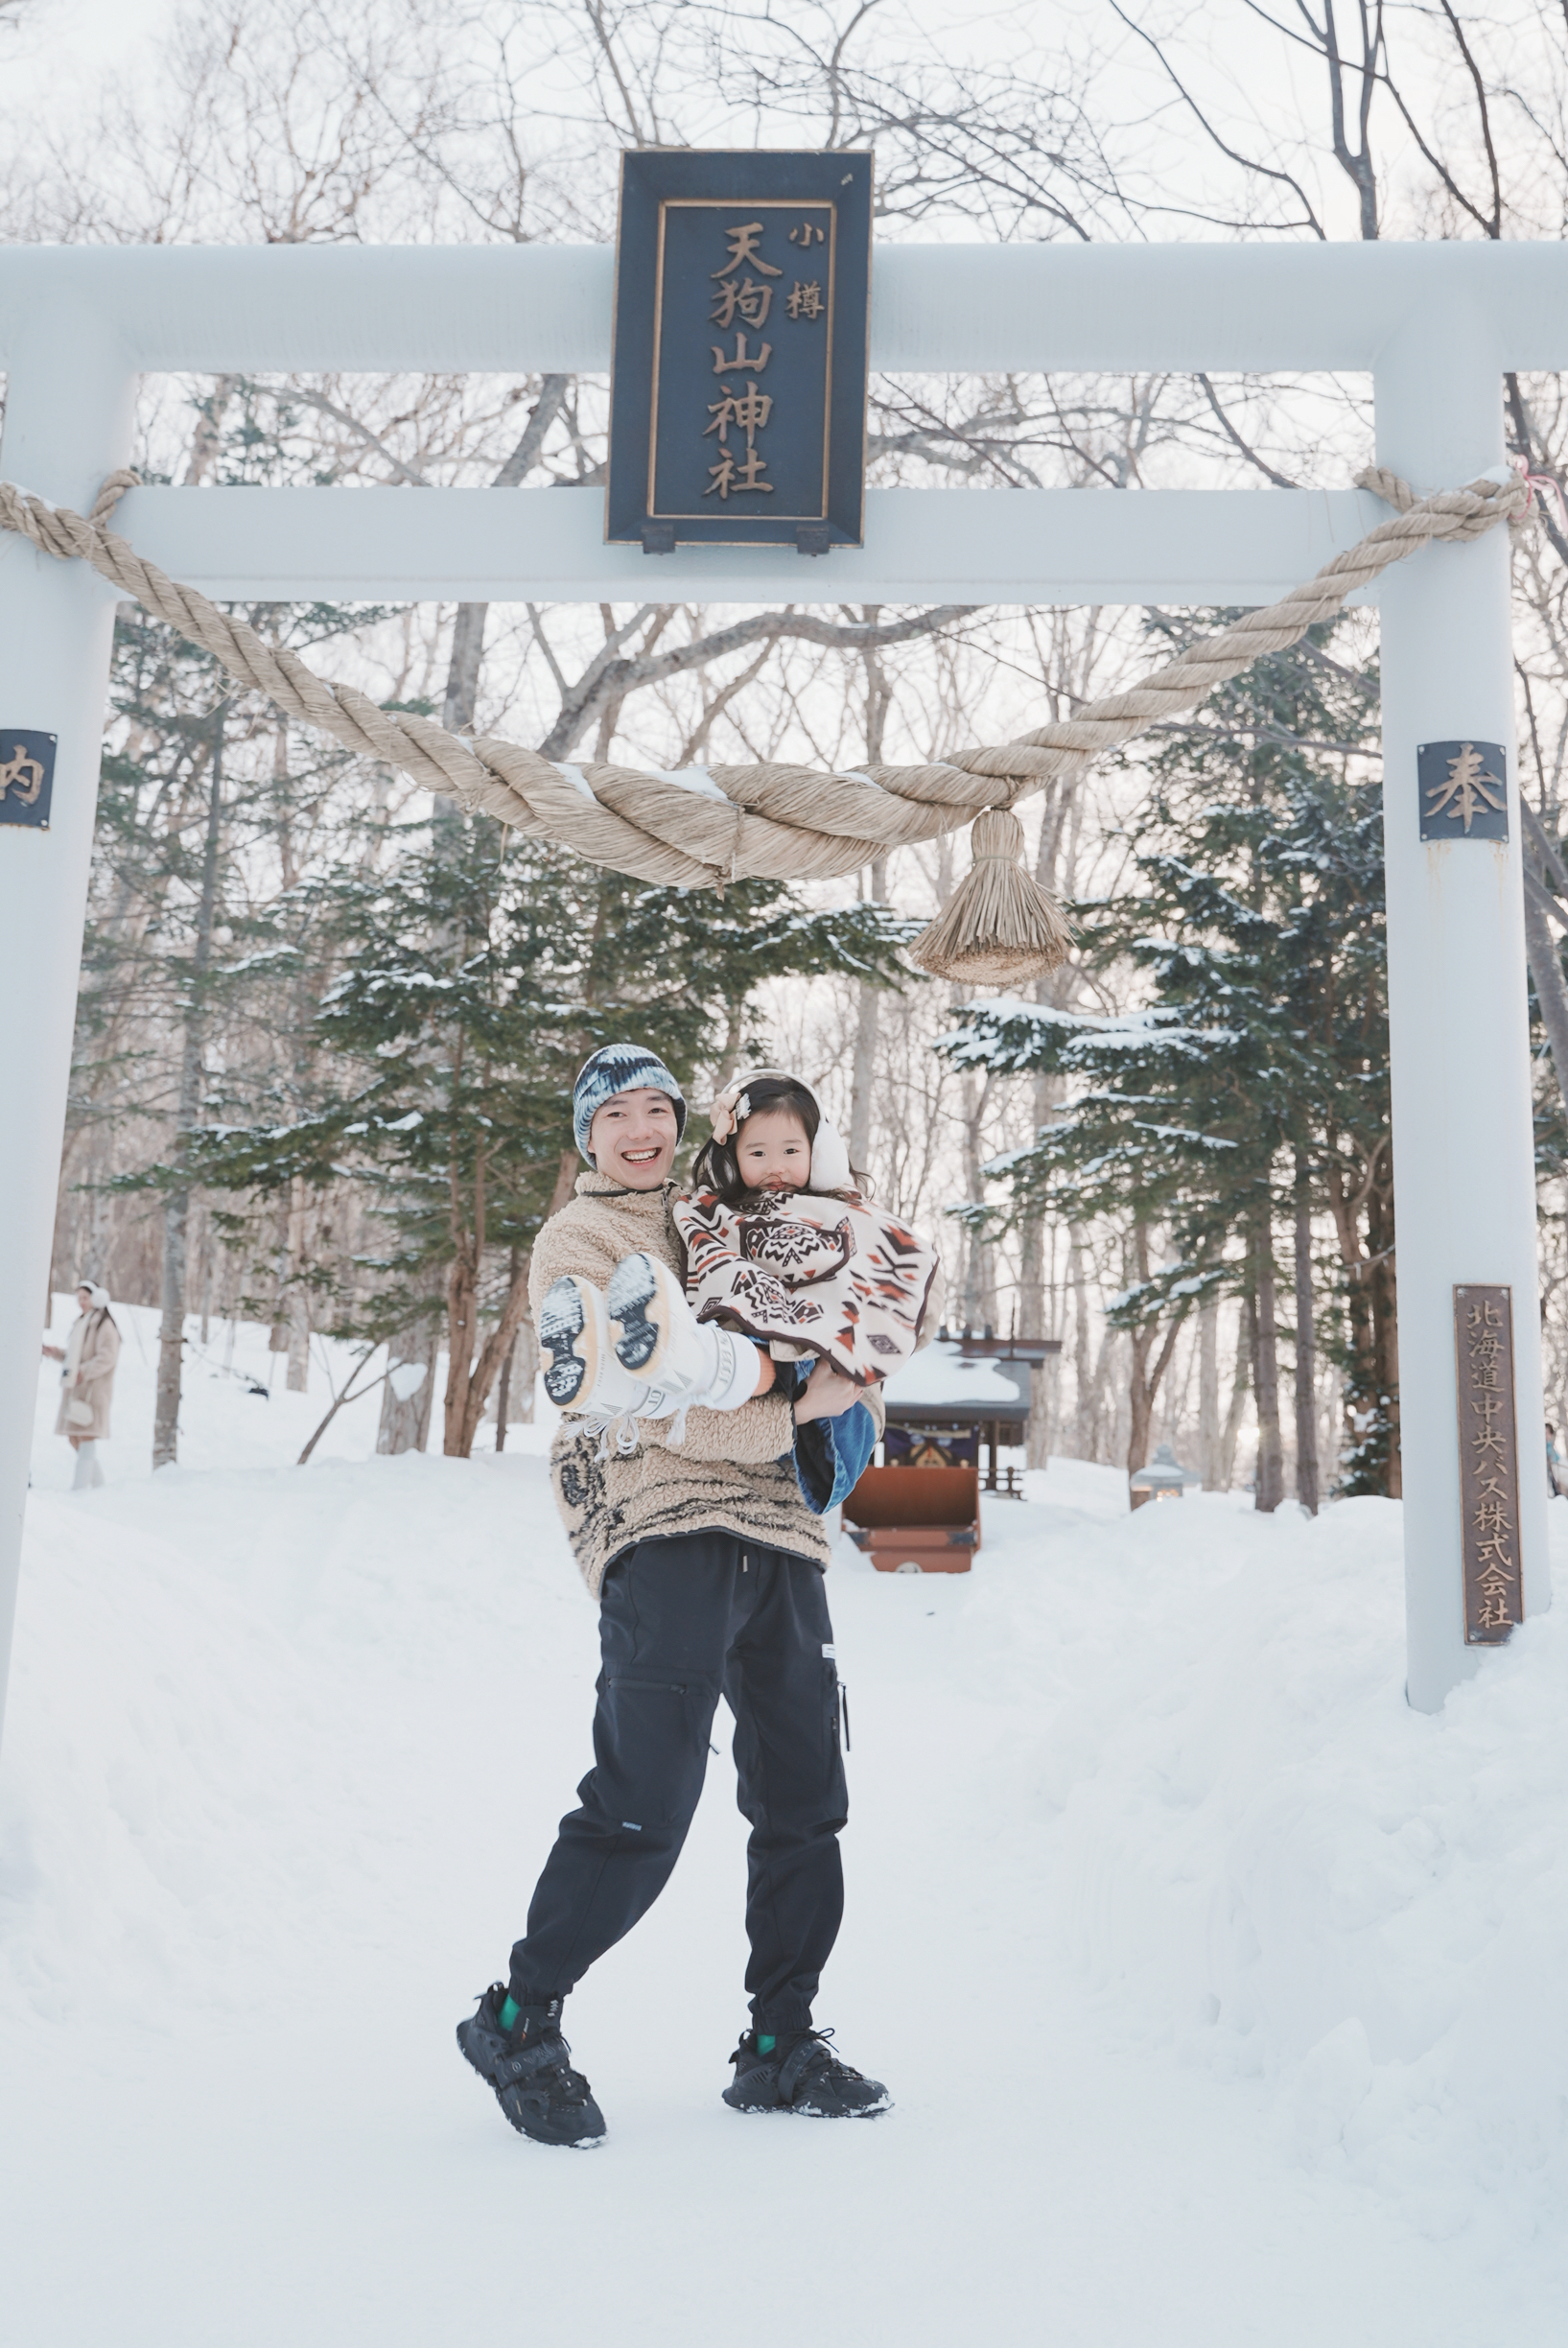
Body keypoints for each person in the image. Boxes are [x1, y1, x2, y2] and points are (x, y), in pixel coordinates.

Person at [456, 1042, 893, 2148]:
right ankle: (520, 2015)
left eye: (659, 1109)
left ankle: (779, 2042)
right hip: (665, 1529)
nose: (641, 1131)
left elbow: (843, 1329)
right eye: (617, 1117)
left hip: (782, 1538)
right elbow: (626, 1402)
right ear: (589, 1137)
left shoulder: (738, 1211)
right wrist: (790, 1411)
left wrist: (841, 1396)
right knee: (643, 1800)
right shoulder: (583, 1239)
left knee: (805, 1799)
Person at [41, 1282, 121, 1491]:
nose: (81, 1302)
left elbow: (107, 1357)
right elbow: (75, 1356)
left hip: (93, 1390)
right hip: (78, 1388)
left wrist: (84, 1372)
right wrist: (57, 1353)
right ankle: (99, 1487)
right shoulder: (83, 1322)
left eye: (85, 1298)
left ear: (97, 1298)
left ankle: (80, 1489)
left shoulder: (104, 1325)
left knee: (86, 1437)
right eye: (79, 1298)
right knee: (75, 1438)